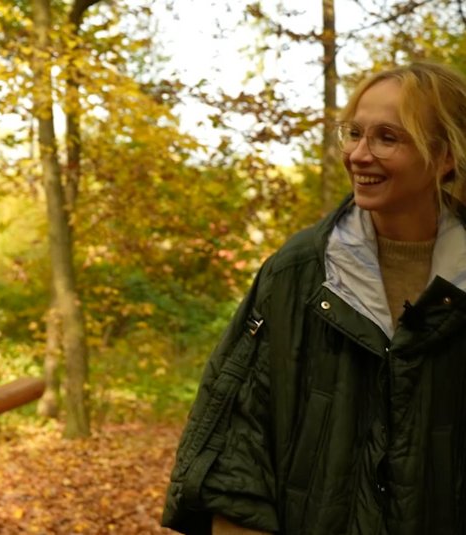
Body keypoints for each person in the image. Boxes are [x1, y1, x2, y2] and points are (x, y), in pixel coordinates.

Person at [162, 61, 466, 534]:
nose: (359, 155)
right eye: (354, 133)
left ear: (444, 157)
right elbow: (236, 451)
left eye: (387, 138)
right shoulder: (297, 274)